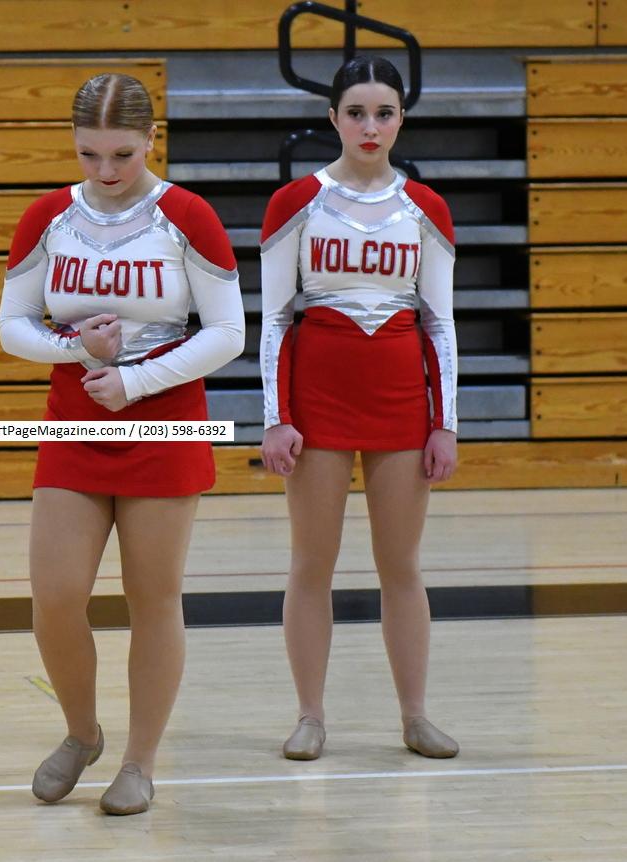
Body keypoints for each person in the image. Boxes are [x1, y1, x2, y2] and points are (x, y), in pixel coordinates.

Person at [0, 73, 245, 814]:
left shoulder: (188, 216)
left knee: (153, 597)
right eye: (89, 154)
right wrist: (78, 349)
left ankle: (140, 762)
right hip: (75, 423)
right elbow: (12, 326)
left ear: (151, 140)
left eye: (123, 155)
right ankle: (82, 733)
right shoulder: (48, 217)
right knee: (55, 597)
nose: (106, 171)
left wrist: (134, 382)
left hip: (163, 425)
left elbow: (227, 332)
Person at [259, 55, 459, 761]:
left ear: (401, 119)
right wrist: (277, 416)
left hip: (400, 402)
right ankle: (310, 716)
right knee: (311, 563)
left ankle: (415, 716)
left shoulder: (426, 208)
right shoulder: (296, 202)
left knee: (400, 564)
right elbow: (275, 319)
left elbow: (439, 323)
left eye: (384, 113)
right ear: (333, 118)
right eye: (356, 113)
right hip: (317, 402)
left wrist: (445, 424)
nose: (370, 127)